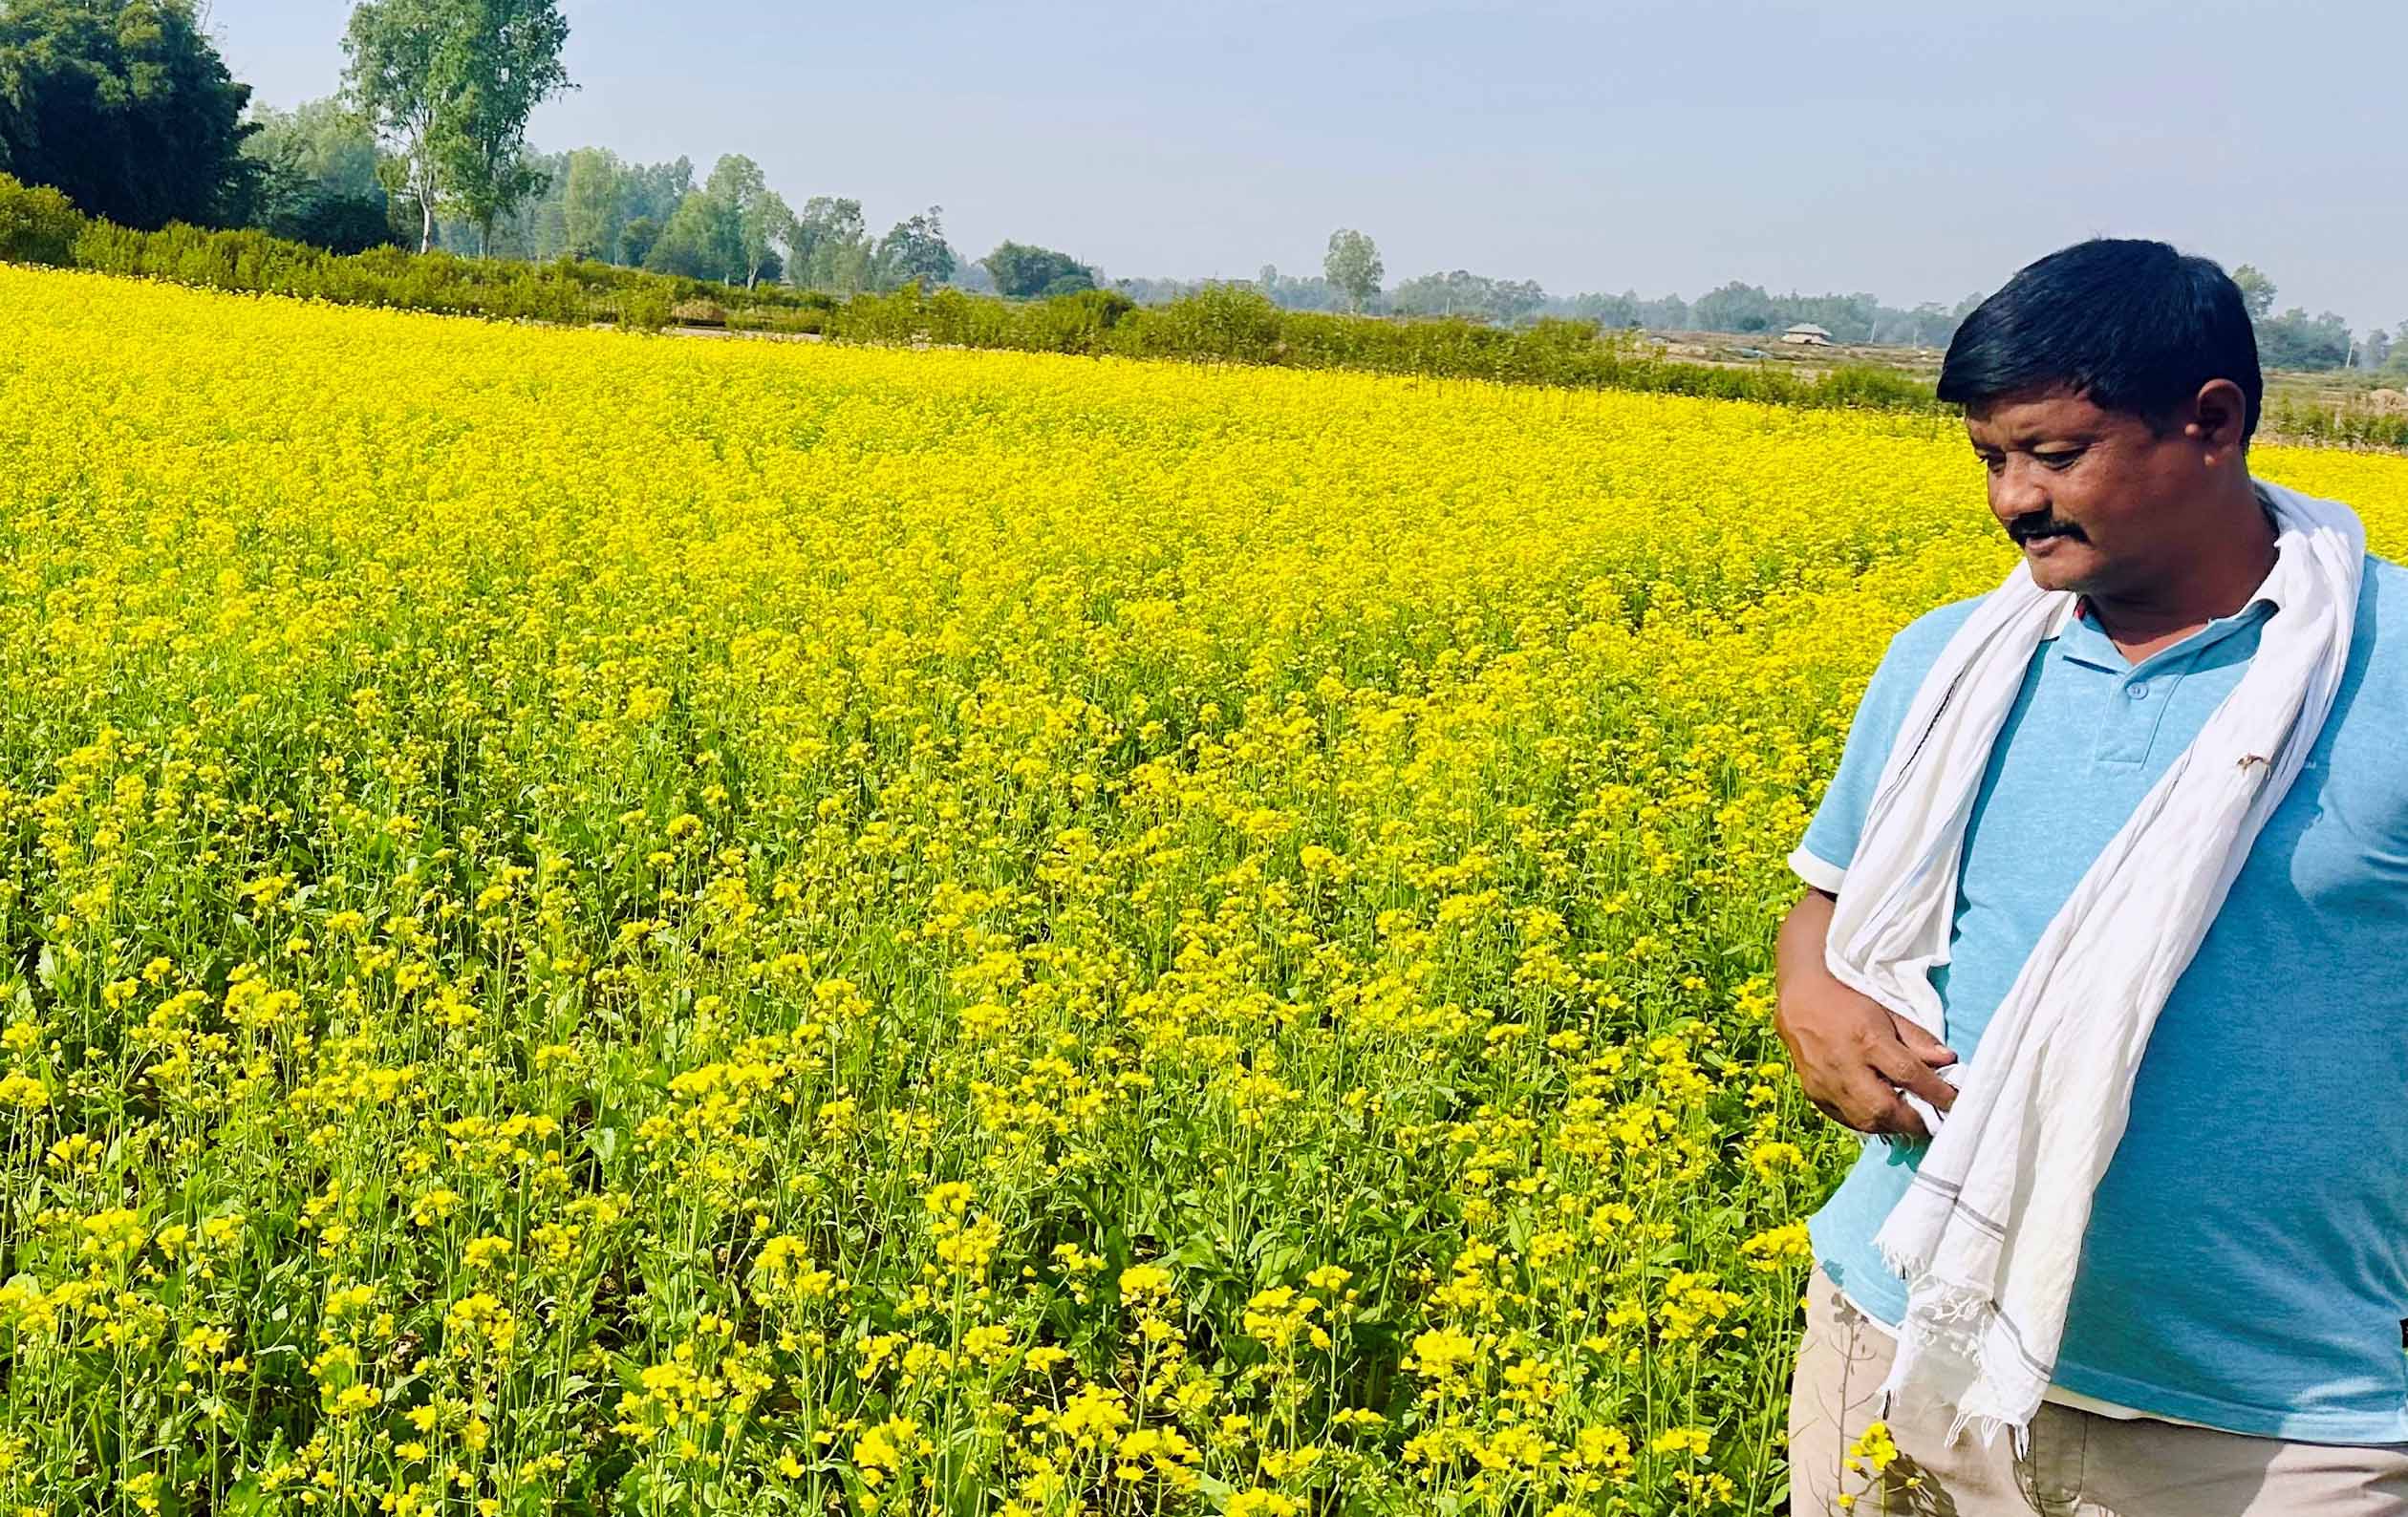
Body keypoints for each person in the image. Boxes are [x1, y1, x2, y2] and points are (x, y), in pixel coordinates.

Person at [1774, 238, 2408, 1515]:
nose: (2013, 499)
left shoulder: (2387, 676)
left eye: (2055, 453)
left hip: (2271, 1425)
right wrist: (1812, 997)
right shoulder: (1949, 660)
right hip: (1901, 1332)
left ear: (2211, 421)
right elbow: (1830, 900)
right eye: (1989, 460)